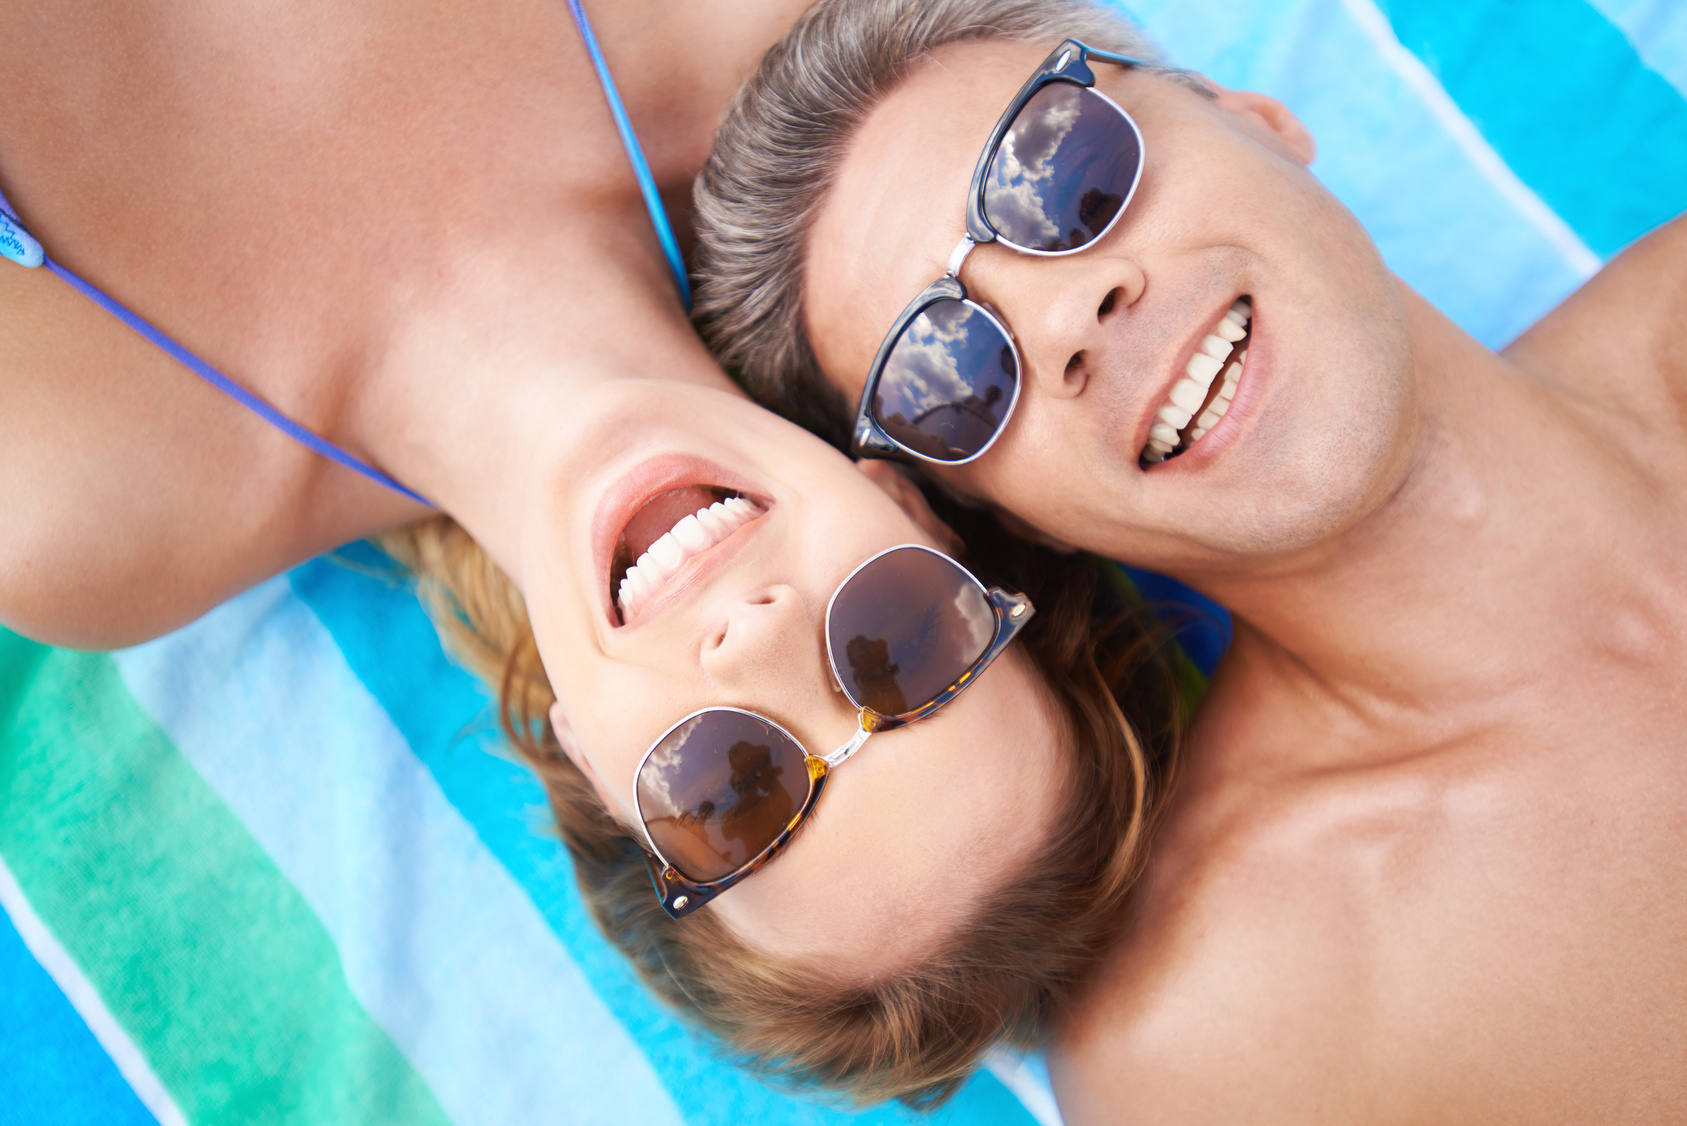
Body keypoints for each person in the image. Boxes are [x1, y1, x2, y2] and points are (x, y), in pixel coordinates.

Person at [0, 0, 1183, 1107]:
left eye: (733, 793)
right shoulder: (741, 24)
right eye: (906, 647)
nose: (758, 633)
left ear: (592, 770)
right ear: (918, 513)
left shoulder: (95, 518)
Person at [693, 0, 1687, 1119]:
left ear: (1253, 116)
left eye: (1067, 169)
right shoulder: (1249, 1032)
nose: (1069, 314)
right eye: (944, 376)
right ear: (1010, 522)